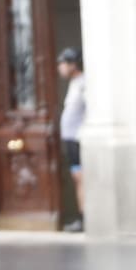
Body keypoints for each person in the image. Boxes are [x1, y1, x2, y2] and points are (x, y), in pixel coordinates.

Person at [56, 48, 86, 232]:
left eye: (62, 63)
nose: (60, 68)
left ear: (72, 64)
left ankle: (84, 218)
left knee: (80, 178)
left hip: (77, 139)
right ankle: (82, 216)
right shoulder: (75, 83)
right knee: (77, 178)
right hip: (70, 139)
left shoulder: (83, 83)